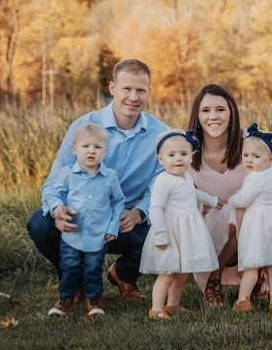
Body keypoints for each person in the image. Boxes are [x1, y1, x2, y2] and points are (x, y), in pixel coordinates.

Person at [27, 59, 169, 300]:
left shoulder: (162, 135)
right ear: (113, 88)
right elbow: (55, 180)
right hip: (81, 216)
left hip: (125, 222)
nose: (133, 97)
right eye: (127, 89)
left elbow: (160, 184)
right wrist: (57, 208)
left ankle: (124, 273)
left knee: (170, 221)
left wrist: (139, 213)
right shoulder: (84, 126)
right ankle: (75, 278)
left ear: (149, 92)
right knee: (39, 225)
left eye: (140, 90)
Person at [187, 84, 272, 306]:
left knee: (252, 212)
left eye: (220, 109)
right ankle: (213, 277)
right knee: (231, 211)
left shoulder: (252, 145)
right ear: (197, 115)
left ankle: (260, 273)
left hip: (250, 229)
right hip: (207, 233)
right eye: (206, 110)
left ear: (232, 113)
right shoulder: (185, 150)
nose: (213, 117)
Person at [139, 130, 224, 320]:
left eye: (184, 154)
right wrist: (160, 233)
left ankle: (173, 305)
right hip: (169, 231)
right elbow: (156, 208)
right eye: (172, 155)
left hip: (187, 231)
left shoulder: (187, 177)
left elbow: (193, 194)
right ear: (161, 159)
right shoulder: (163, 181)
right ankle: (156, 309)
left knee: (182, 273)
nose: (178, 159)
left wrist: (211, 199)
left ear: (191, 157)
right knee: (168, 272)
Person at [47, 123, 125, 317]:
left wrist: (113, 226)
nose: (91, 151)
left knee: (93, 269)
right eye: (86, 146)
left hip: (98, 236)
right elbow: (54, 193)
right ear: (75, 149)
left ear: (104, 152)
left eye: (97, 147)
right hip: (72, 234)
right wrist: (58, 207)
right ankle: (66, 299)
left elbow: (119, 201)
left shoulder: (110, 177)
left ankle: (94, 301)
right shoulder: (67, 174)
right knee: (69, 267)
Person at [227, 123, 272, 313]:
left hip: (260, 227)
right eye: (246, 155)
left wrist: (230, 200)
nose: (249, 160)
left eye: (256, 156)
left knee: (252, 266)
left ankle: (243, 301)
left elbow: (243, 199)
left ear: (270, 159)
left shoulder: (255, 178)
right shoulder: (268, 174)